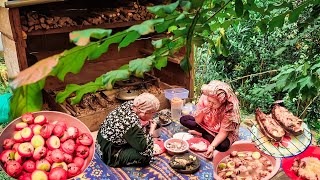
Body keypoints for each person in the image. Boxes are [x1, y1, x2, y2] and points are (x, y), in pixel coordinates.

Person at [96, 92, 160, 167]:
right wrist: (151, 130)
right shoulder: (130, 124)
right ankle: (116, 159)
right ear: (144, 113)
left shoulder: (129, 104)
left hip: (101, 141)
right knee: (146, 155)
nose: (153, 116)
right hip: (109, 153)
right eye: (152, 113)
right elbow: (143, 147)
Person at [180, 80, 240, 158]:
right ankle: (206, 135)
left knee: (223, 146)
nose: (210, 104)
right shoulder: (206, 96)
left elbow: (223, 133)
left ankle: (202, 134)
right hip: (205, 125)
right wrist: (202, 113)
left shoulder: (229, 110)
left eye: (214, 103)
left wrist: (212, 146)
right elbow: (197, 121)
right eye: (209, 101)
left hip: (219, 131)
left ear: (222, 102)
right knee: (183, 119)